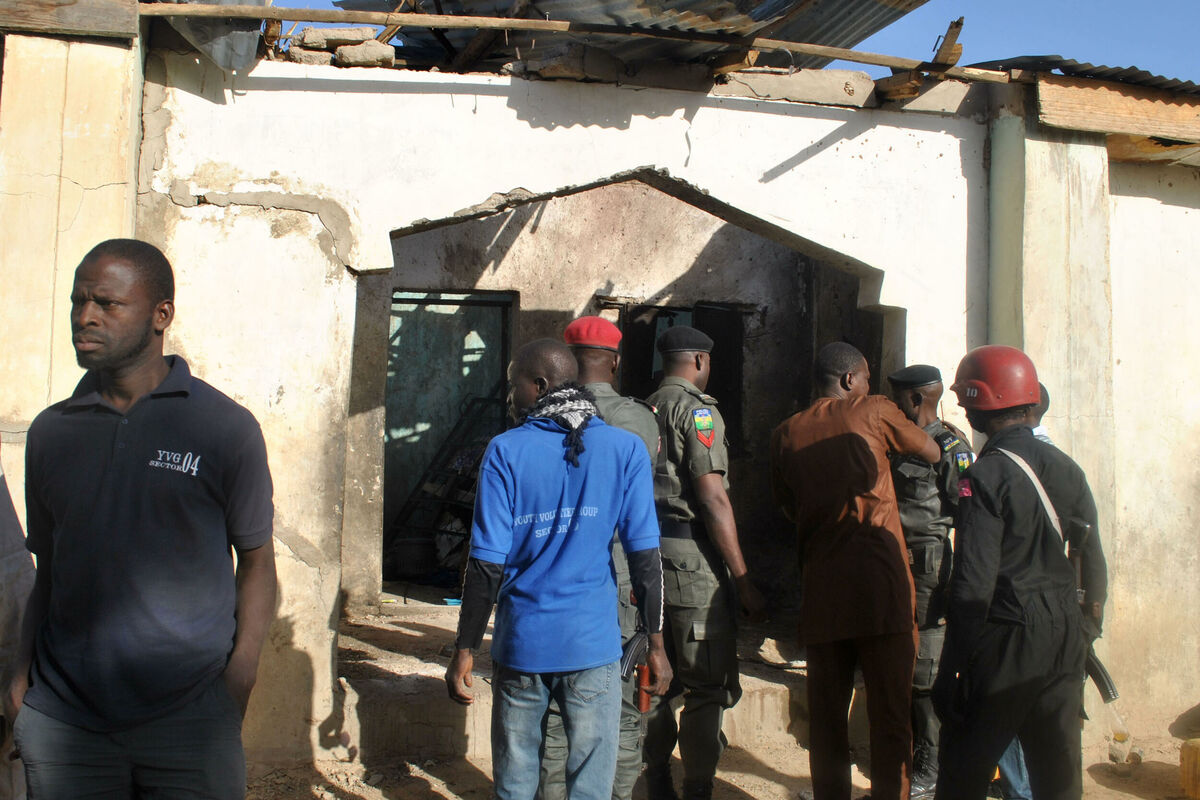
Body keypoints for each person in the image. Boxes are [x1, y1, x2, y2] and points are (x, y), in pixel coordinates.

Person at [4, 239, 277, 799]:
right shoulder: (52, 433)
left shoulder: (224, 428)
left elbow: (256, 564)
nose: (85, 316)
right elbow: (49, 570)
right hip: (65, 724)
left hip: (191, 721)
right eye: (78, 301)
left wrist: (239, 678)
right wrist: (22, 679)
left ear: (161, 315)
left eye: (107, 303)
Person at [444, 339, 672, 800]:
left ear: (540, 385)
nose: (511, 396)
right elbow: (646, 559)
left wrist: (464, 649)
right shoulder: (625, 449)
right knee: (591, 785)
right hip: (594, 646)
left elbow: (485, 566)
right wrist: (657, 643)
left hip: (523, 647)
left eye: (515, 385)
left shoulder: (505, 451)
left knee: (516, 781)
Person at [934, 345, 1108, 800]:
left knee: (964, 769)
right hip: (1065, 634)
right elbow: (1093, 562)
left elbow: (973, 586)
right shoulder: (1068, 468)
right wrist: (1085, 631)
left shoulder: (985, 475)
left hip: (1007, 637)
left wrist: (951, 671)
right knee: (1058, 776)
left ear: (977, 405)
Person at [769, 342, 940, 800]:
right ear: (849, 380)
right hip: (882, 587)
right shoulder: (875, 409)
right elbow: (931, 451)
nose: (868, 384)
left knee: (827, 719)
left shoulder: (784, 433)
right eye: (865, 377)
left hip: (823, 590)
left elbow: (789, 507)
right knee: (890, 715)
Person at [538, 316, 661, 800]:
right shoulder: (637, 419)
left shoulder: (541, 417)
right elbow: (640, 512)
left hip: (554, 575)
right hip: (619, 576)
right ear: (615, 361)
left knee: (554, 713)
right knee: (623, 708)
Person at [642, 325, 766, 800]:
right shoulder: (697, 412)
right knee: (706, 687)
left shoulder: (642, 410)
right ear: (698, 360)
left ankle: (656, 780)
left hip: (645, 555)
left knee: (655, 676)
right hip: (691, 560)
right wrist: (743, 578)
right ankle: (697, 789)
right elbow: (713, 499)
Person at [885, 364, 977, 799]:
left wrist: (962, 580)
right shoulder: (899, 442)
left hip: (929, 567)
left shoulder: (951, 447)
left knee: (925, 669)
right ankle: (906, 754)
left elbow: (969, 516)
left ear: (915, 399)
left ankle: (931, 763)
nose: (894, 406)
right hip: (893, 564)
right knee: (900, 660)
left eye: (897, 398)